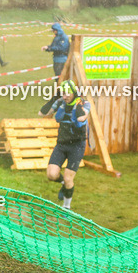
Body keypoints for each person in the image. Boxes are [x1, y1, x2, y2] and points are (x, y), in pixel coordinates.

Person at [39, 79, 90, 210]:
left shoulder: (84, 103)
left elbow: (82, 118)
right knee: (51, 175)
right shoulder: (60, 102)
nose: (65, 96)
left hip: (77, 146)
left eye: (67, 93)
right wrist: (53, 99)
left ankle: (66, 207)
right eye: (62, 93)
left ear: (74, 93)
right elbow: (42, 113)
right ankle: (63, 183)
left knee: (69, 178)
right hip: (62, 144)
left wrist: (77, 105)